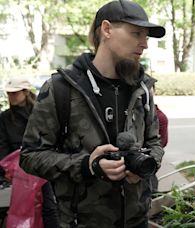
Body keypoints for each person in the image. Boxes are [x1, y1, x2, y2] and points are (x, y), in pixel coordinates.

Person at [19, 1, 165, 227]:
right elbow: (30, 156)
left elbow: (155, 142)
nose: (144, 44)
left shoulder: (142, 88)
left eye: (146, 36)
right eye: (137, 33)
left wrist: (146, 166)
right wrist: (88, 165)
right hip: (81, 221)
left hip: (137, 220)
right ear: (106, 30)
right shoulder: (61, 88)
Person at [0, 77, 59, 227]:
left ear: (25, 92)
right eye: (9, 94)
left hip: (41, 163)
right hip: (18, 168)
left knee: (49, 206)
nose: (11, 97)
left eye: (15, 93)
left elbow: (50, 136)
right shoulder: (5, 118)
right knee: (21, 209)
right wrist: (5, 168)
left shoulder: (39, 111)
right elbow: (2, 144)